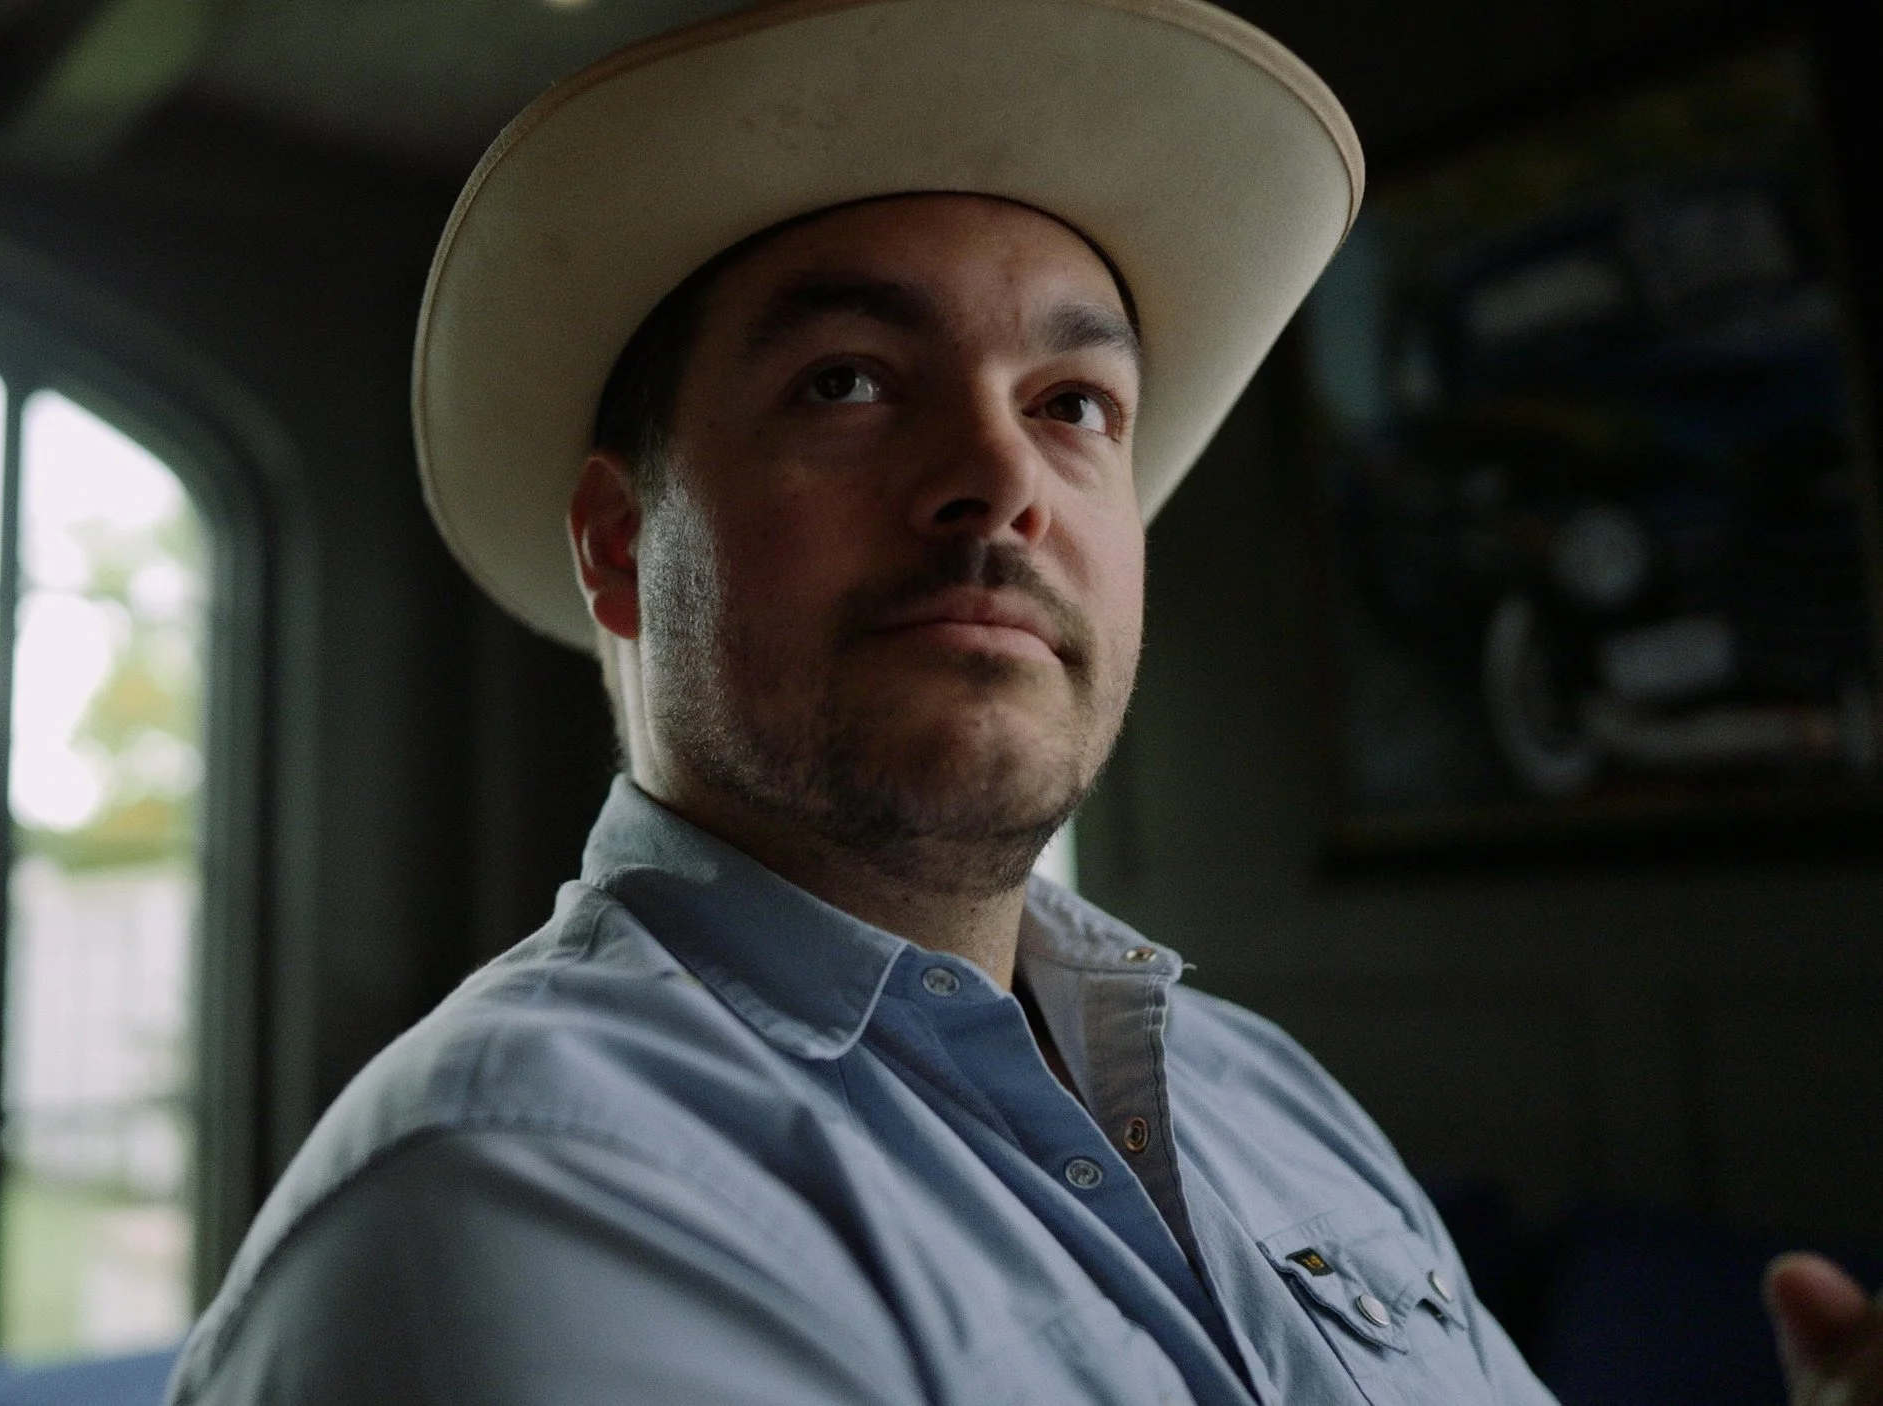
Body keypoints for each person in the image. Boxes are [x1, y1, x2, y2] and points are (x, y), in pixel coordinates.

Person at [167, 0, 1883, 1401]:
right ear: (624, 550)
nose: (999, 478)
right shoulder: (522, 1195)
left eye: (1073, 404)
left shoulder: (1258, 1086)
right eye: (849, 382)